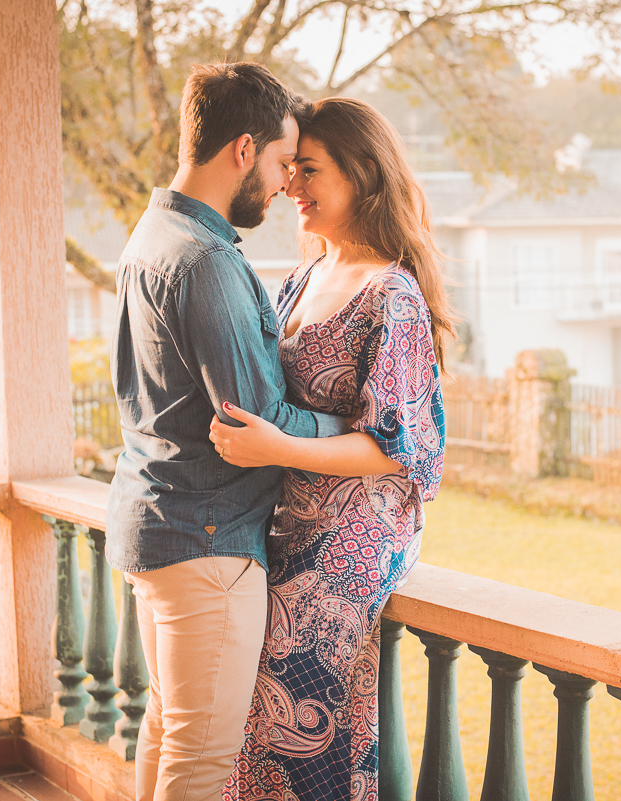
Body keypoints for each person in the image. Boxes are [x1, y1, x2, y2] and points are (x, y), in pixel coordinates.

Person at [105, 63, 346, 801]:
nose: (282, 185)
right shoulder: (205, 259)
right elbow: (257, 419)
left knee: (170, 732)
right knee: (201, 760)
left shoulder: (155, 231)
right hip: (208, 545)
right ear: (243, 150)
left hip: (157, 524)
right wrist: (351, 423)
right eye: (279, 163)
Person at [207, 97, 452, 801]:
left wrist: (278, 445)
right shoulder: (302, 277)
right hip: (282, 519)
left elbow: (395, 448)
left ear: (363, 173)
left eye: (307, 170)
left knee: (299, 719)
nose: (289, 187)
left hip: (354, 533)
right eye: (289, 170)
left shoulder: (390, 292)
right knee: (247, 720)